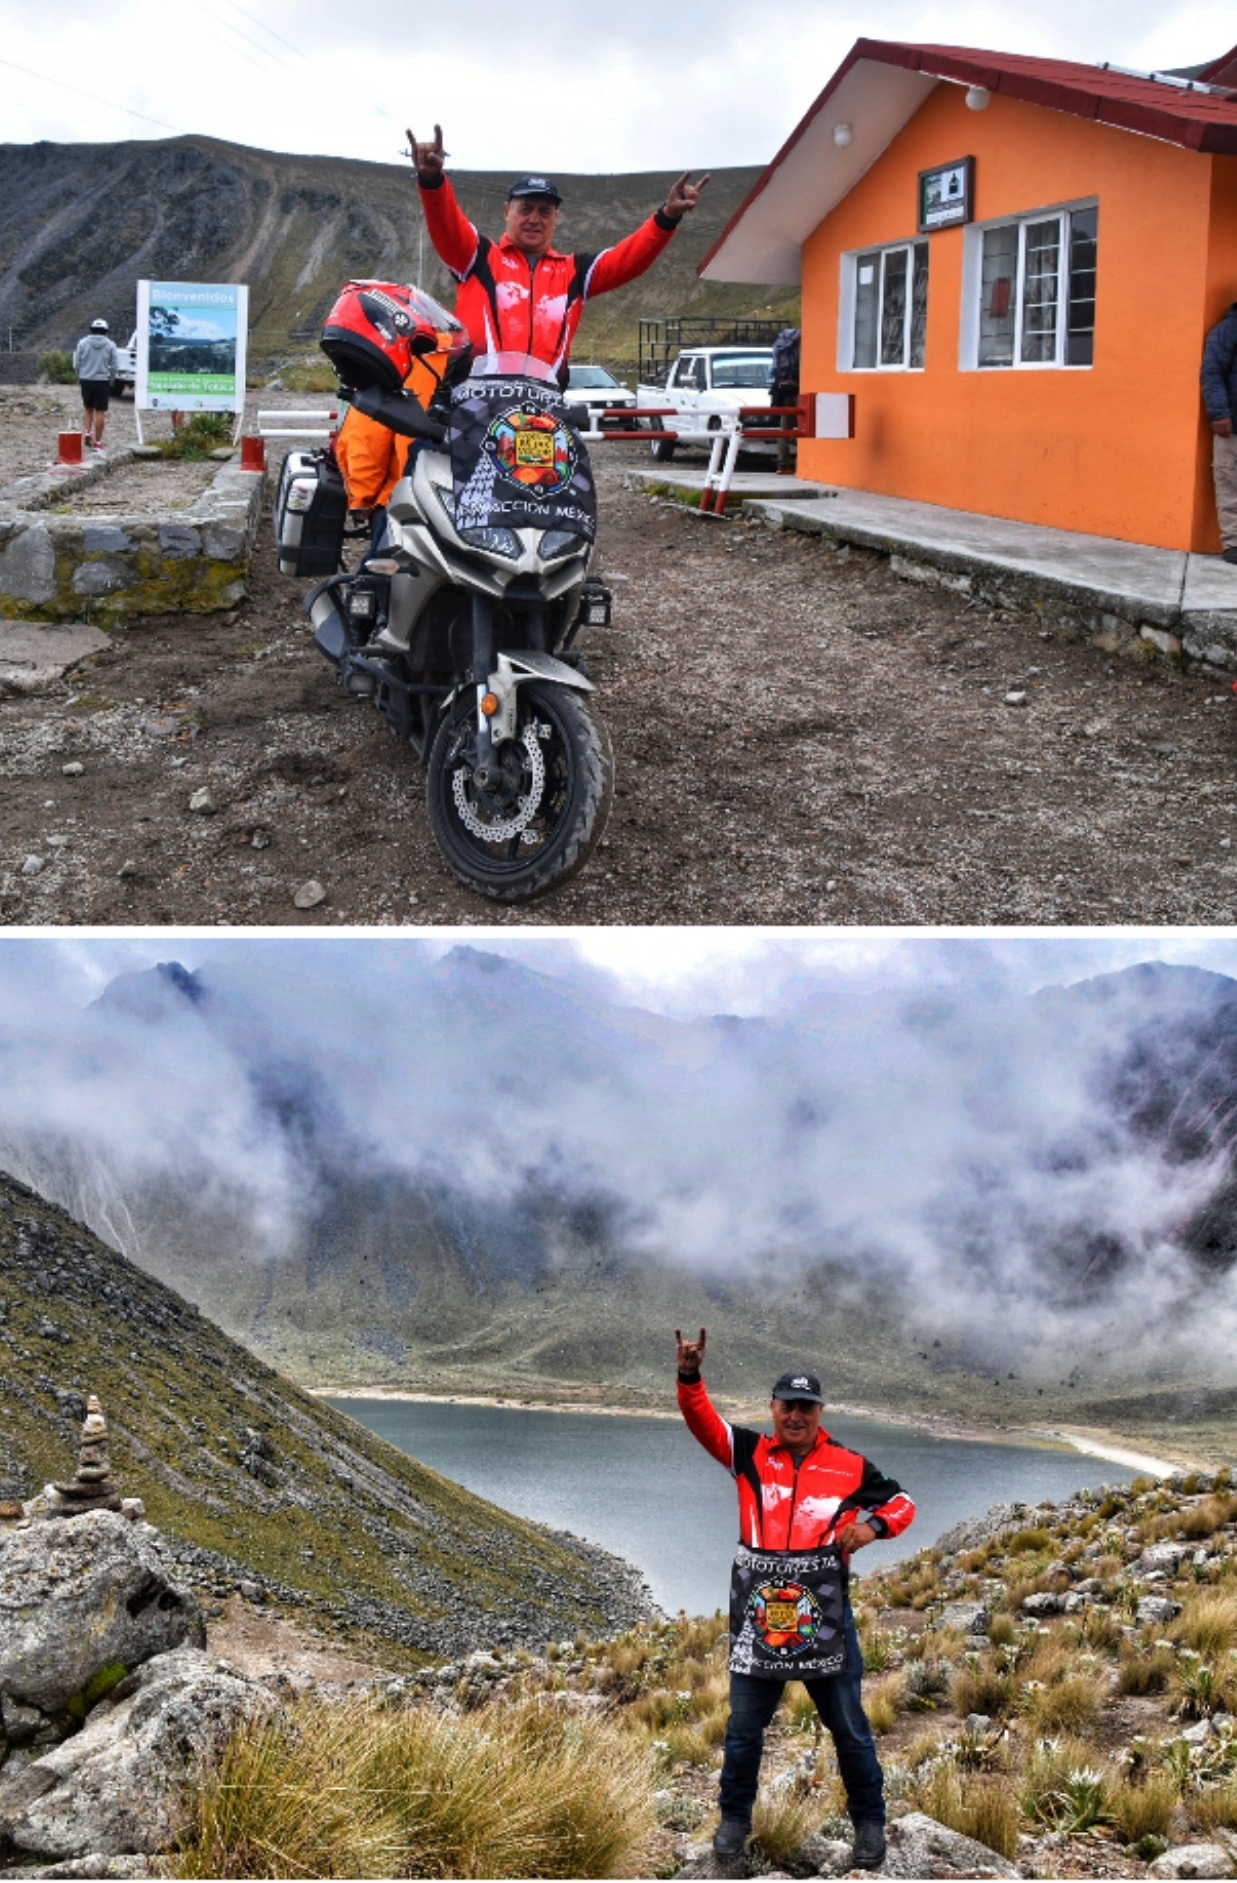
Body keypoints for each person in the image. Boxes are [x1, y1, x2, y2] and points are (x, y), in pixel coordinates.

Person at [675, 1326, 914, 1876]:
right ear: (774, 1408)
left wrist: (873, 1527)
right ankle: (733, 1824)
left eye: (806, 1407)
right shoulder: (749, 1453)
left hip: (825, 1623)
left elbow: (902, 1502)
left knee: (850, 1727)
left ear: (819, 1411)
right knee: (742, 1730)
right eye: (787, 1406)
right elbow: (701, 1421)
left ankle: (870, 1824)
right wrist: (690, 1376)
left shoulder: (851, 1466)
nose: (796, 1416)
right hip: (760, 1625)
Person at [406, 124, 709, 373]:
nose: (534, 219)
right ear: (506, 212)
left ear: (556, 219)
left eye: (545, 212)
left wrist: (668, 217)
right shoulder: (478, 256)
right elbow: (446, 224)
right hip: (476, 404)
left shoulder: (574, 271)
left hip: (545, 410)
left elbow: (628, 260)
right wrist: (432, 181)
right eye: (526, 209)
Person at [1202, 302, 1237, 565]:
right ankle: (1233, 544)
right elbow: (1211, 372)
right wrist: (1219, 412)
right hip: (1231, 424)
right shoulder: (1228, 329)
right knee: (1229, 481)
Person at [72, 318, 119, 451]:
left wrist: (80, 375)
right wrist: (111, 379)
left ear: (91, 329)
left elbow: (76, 362)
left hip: (86, 379)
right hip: (102, 380)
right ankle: (97, 441)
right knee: (100, 412)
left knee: (88, 408)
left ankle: (87, 431)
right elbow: (115, 365)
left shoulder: (82, 343)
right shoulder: (110, 345)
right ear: (105, 331)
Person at [771, 326, 801, 474]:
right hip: (800, 389)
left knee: (784, 428)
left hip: (783, 388)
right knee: (804, 427)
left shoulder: (779, 344)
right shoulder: (802, 343)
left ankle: (783, 464)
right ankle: (803, 463)